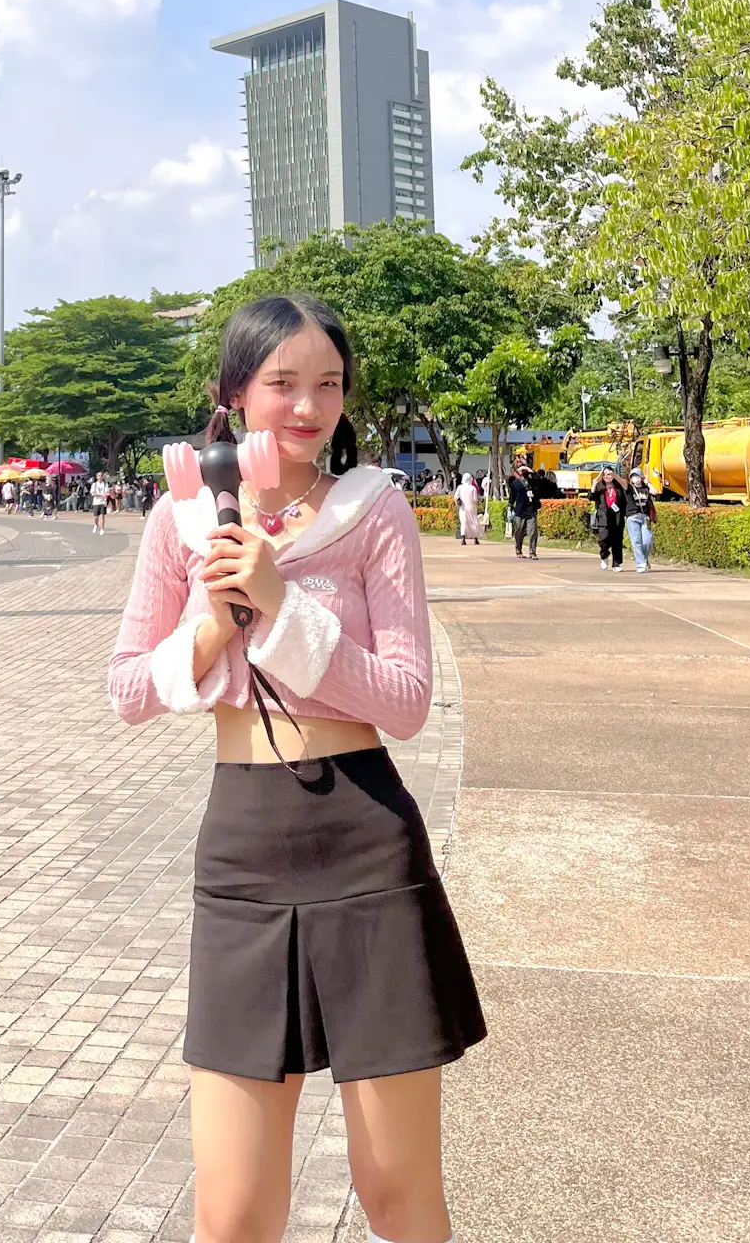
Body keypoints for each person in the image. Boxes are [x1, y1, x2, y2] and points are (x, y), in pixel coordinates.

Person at [110, 295, 484, 1243]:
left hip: (366, 844)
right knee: (232, 1214)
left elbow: (403, 701)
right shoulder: (181, 522)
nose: (308, 406)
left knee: (397, 1191)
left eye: (329, 384)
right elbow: (126, 688)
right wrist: (211, 625)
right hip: (242, 850)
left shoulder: (376, 511)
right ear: (235, 394)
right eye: (282, 384)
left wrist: (281, 605)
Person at [591, 469, 629, 570]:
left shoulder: (618, 485)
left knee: (617, 540)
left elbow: (626, 487)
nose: (608, 476)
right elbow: (591, 497)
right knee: (604, 539)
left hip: (617, 516)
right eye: (605, 474)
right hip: (603, 517)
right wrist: (594, 484)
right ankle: (604, 555)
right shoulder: (600, 486)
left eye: (610, 474)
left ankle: (616, 564)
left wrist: (616, 476)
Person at [624, 468, 657, 573]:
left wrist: (648, 482)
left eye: (637, 476)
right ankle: (640, 564)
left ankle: (645, 558)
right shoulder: (629, 489)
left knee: (648, 541)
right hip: (632, 517)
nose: (635, 478)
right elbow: (622, 483)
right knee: (636, 541)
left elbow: (655, 492)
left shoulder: (646, 488)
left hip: (645, 517)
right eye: (633, 476)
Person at [507, 461, 539, 558]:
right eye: (522, 470)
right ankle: (518, 549)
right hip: (519, 511)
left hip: (531, 511)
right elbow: (512, 497)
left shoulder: (533, 483)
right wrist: (510, 506)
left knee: (533, 531)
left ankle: (532, 552)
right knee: (519, 531)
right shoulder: (515, 483)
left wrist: (531, 471)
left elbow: (539, 479)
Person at [455, 470, 482, 546]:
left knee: (464, 522)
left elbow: (456, 496)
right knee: (473, 522)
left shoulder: (460, 487)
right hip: (472, 508)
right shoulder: (473, 488)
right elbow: (475, 499)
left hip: (463, 508)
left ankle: (463, 539)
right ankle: (475, 539)